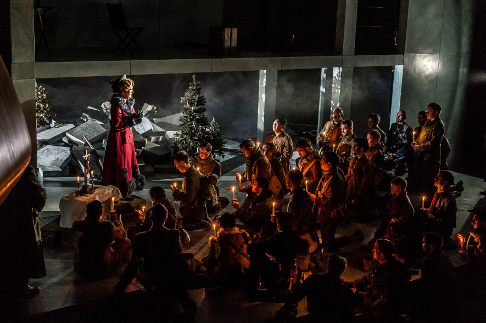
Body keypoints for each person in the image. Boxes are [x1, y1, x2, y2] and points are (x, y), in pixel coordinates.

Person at [114, 204, 197, 322]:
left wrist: (120, 286)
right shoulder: (174, 234)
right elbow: (177, 256)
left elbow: (134, 264)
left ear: (150, 218)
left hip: (152, 277)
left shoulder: (140, 237)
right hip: (170, 276)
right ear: (166, 218)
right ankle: (176, 303)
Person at [0, 165, 46, 322]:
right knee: (23, 251)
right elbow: (37, 195)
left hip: (4, 216)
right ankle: (21, 287)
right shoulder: (23, 168)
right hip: (22, 217)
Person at [246, 212, 309, 299]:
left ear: (279, 224)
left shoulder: (278, 239)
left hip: (278, 274)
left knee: (256, 254)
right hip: (294, 274)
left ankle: (253, 286)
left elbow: (253, 248)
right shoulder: (299, 240)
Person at [101, 76, 145, 197]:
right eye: (130, 89)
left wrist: (137, 117)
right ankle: (120, 187)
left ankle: (128, 186)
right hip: (119, 139)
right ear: (123, 91)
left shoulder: (129, 102)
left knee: (129, 161)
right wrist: (131, 119)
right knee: (121, 163)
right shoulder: (116, 104)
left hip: (127, 139)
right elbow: (117, 124)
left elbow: (131, 117)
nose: (132, 91)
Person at [277, 255, 355, 322]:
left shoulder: (313, 280)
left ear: (328, 267)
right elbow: (348, 317)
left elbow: (294, 297)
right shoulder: (347, 292)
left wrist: (288, 311)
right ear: (343, 270)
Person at [349, 239, 407, 321]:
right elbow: (370, 279)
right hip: (371, 298)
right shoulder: (375, 262)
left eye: (375, 248)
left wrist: (372, 315)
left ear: (382, 255)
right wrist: (352, 283)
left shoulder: (392, 272)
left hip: (380, 307)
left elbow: (388, 299)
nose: (372, 250)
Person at [404, 232, 458, 322]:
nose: (422, 244)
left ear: (430, 246)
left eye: (423, 242)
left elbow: (426, 283)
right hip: (448, 296)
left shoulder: (429, 260)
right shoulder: (445, 256)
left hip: (436, 299)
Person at [71, 200, 131, 280]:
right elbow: (122, 235)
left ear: (87, 212)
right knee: (126, 242)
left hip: (81, 269)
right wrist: (115, 220)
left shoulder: (76, 225)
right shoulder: (106, 226)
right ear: (101, 213)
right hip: (103, 269)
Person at [369, 176, 417, 256]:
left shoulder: (404, 206)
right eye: (392, 189)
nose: (393, 193)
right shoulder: (394, 199)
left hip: (400, 238)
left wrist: (383, 239)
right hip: (390, 233)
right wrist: (377, 235)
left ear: (403, 189)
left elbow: (402, 230)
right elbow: (386, 219)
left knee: (377, 250)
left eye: (397, 190)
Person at [171, 150, 212, 229]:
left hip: (193, 211)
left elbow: (188, 200)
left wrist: (175, 192)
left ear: (182, 162)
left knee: (173, 210)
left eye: (176, 164)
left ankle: (196, 223)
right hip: (200, 209)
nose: (176, 167)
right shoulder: (195, 172)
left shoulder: (190, 178)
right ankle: (199, 221)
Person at [203, 213, 251, 279]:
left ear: (222, 225)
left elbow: (213, 260)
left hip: (227, 271)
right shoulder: (243, 236)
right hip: (243, 268)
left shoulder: (218, 241)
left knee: (205, 261)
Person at [412, 103, 445, 198]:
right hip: (421, 156)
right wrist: (415, 142)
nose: (427, 114)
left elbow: (433, 143)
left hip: (430, 158)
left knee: (429, 180)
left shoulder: (438, 125)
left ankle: (428, 200)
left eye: (429, 112)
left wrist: (420, 147)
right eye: (427, 111)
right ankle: (421, 198)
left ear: (436, 112)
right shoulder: (427, 123)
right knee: (421, 178)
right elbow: (421, 136)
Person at [424, 171, 457, 248]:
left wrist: (429, 216)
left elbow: (445, 222)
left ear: (445, 183)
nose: (435, 179)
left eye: (438, 178)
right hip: (434, 224)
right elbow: (435, 210)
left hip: (441, 231)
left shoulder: (448, 199)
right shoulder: (439, 193)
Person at [456, 209, 486, 287]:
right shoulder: (475, 235)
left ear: (483, 223)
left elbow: (480, 263)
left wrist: (469, 254)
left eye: (476, 220)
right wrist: (462, 244)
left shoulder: (481, 239)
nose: (472, 222)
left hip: (477, 281)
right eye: (473, 219)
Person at [346, 138, 374, 219]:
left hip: (359, 199)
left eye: (355, 146)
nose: (353, 148)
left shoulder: (367, 165)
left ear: (362, 148)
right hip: (350, 195)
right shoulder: (353, 161)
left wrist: (356, 199)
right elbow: (348, 177)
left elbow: (365, 185)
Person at [191, 142, 223, 212]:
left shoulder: (215, 165)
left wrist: (210, 178)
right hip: (196, 188)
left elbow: (215, 179)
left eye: (202, 152)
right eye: (199, 152)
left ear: (208, 152)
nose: (200, 154)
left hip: (207, 191)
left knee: (210, 208)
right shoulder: (195, 161)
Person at [384, 110, 413, 176]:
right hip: (392, 154)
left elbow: (407, 145)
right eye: (397, 115)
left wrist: (397, 154)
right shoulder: (393, 126)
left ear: (404, 117)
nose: (397, 117)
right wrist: (388, 151)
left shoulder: (408, 128)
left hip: (401, 156)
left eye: (400, 116)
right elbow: (389, 139)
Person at [286, 169, 313, 235]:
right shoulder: (304, 193)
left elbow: (293, 223)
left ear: (291, 181)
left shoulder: (295, 200)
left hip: (299, 235)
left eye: (286, 179)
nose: (285, 181)